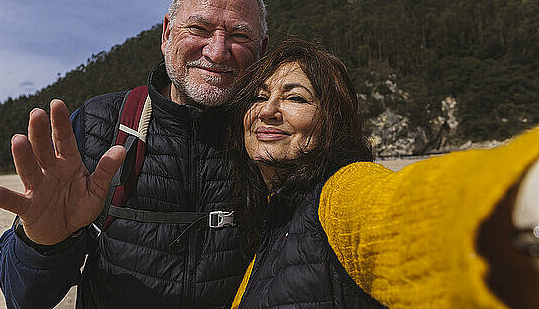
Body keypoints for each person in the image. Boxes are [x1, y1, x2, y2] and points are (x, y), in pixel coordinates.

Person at [0, 0, 269, 309]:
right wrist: (43, 245)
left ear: (262, 49)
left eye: (239, 36)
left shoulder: (273, 140)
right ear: (167, 33)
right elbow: (23, 296)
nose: (217, 50)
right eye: (199, 28)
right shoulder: (98, 125)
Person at [225, 40, 539, 308]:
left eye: (295, 98)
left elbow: (404, 212)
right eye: (260, 96)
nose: (268, 110)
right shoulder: (272, 220)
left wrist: (516, 198)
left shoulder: (341, 194)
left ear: (331, 123)